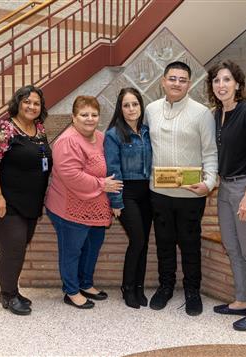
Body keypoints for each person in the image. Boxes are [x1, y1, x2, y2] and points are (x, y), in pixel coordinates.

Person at [145, 61, 218, 316]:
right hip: (159, 194)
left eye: (182, 79)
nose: (177, 83)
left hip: (190, 194)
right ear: (163, 81)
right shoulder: (151, 110)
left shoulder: (201, 113)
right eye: (172, 78)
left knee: (189, 244)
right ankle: (165, 287)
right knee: (164, 243)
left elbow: (210, 152)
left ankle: (192, 291)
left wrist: (208, 184)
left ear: (189, 83)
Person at [0, 85, 51, 316]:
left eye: (36, 103)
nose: (31, 106)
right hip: (4, 203)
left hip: (28, 203)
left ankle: (13, 290)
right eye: (27, 101)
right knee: (13, 248)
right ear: (17, 103)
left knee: (17, 247)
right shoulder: (4, 128)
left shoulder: (38, 129)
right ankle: (7, 295)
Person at [207, 60, 246, 331]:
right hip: (225, 187)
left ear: (238, 84)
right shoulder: (216, 114)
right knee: (232, 247)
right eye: (217, 80)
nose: (221, 85)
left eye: (227, 80)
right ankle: (242, 300)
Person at [45, 95, 123, 309]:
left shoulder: (99, 137)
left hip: (95, 209)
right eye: (84, 114)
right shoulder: (67, 141)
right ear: (73, 117)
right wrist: (101, 185)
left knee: (92, 247)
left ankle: (85, 283)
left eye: (94, 114)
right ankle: (71, 291)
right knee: (72, 251)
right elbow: (71, 175)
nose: (89, 118)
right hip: (69, 208)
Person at [104, 88, 152, 309]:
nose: (131, 109)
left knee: (143, 243)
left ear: (141, 106)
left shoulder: (147, 131)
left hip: (149, 193)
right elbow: (112, 170)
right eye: (126, 105)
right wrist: (116, 201)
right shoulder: (114, 134)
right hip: (127, 193)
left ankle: (139, 287)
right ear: (120, 109)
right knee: (138, 240)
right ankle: (128, 287)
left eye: (135, 104)